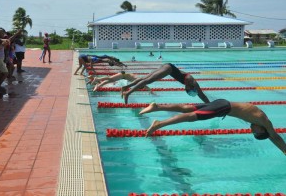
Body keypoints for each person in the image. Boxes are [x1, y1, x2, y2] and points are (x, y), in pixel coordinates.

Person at [140, 99, 286, 155]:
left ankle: (157, 106)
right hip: (224, 107)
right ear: (262, 130)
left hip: (222, 104)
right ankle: (159, 124)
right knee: (192, 118)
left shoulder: (261, 120)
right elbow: (274, 137)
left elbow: (271, 137)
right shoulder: (264, 122)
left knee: (186, 108)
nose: (251, 130)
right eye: (255, 132)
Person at [121, 63, 210, 104]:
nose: (185, 88)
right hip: (168, 69)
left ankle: (126, 87)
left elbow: (201, 95)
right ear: (191, 87)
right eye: (187, 89)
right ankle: (128, 93)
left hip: (167, 66)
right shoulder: (191, 81)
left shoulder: (190, 84)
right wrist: (210, 105)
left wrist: (209, 104)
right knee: (147, 81)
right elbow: (201, 95)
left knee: (145, 78)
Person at [88, 71, 153, 94]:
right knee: (110, 79)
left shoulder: (139, 81)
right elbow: (144, 85)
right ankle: (97, 79)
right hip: (122, 75)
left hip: (123, 75)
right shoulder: (137, 80)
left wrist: (151, 91)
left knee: (109, 80)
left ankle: (98, 86)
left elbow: (145, 86)